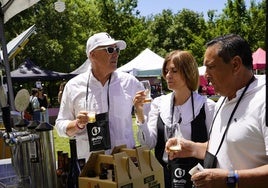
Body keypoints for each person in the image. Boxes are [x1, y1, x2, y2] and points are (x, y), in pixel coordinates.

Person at [165, 34, 268, 188]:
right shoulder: (222, 99)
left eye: (211, 66)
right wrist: (192, 148)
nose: (205, 75)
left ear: (235, 64)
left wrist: (230, 179)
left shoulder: (263, 99)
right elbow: (225, 146)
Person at [55, 32, 146, 160]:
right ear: (92, 55)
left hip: (125, 164)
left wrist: (139, 111)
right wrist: (77, 124)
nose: (115, 54)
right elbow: (60, 126)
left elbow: (148, 116)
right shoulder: (73, 86)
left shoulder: (130, 83)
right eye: (109, 50)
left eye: (117, 49)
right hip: (91, 167)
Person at [133, 50, 215, 188]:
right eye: (166, 71)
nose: (168, 76)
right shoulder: (159, 104)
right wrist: (140, 114)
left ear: (188, 72)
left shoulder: (207, 106)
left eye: (174, 71)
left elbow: (216, 147)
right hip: (165, 177)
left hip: (197, 179)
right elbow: (148, 144)